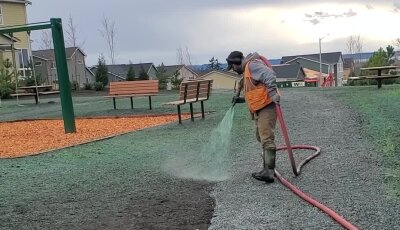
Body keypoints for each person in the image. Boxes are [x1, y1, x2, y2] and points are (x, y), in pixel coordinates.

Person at [226, 51, 280, 183]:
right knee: (260, 137)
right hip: (259, 108)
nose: (233, 69)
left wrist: (273, 93)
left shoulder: (252, 65)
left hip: (267, 106)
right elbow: (254, 92)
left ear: (238, 62)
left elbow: (269, 74)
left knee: (266, 138)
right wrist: (240, 99)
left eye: (233, 66)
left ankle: (269, 172)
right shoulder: (247, 71)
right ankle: (266, 168)